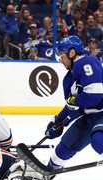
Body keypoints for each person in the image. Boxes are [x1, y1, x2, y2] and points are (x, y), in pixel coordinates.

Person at [44, 35, 103, 171]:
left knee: (98, 139)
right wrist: (58, 122)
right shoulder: (69, 78)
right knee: (63, 149)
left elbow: (95, 94)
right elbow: (74, 107)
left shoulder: (87, 62)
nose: (61, 60)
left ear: (72, 53)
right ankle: (49, 171)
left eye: (61, 55)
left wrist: (75, 102)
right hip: (90, 117)